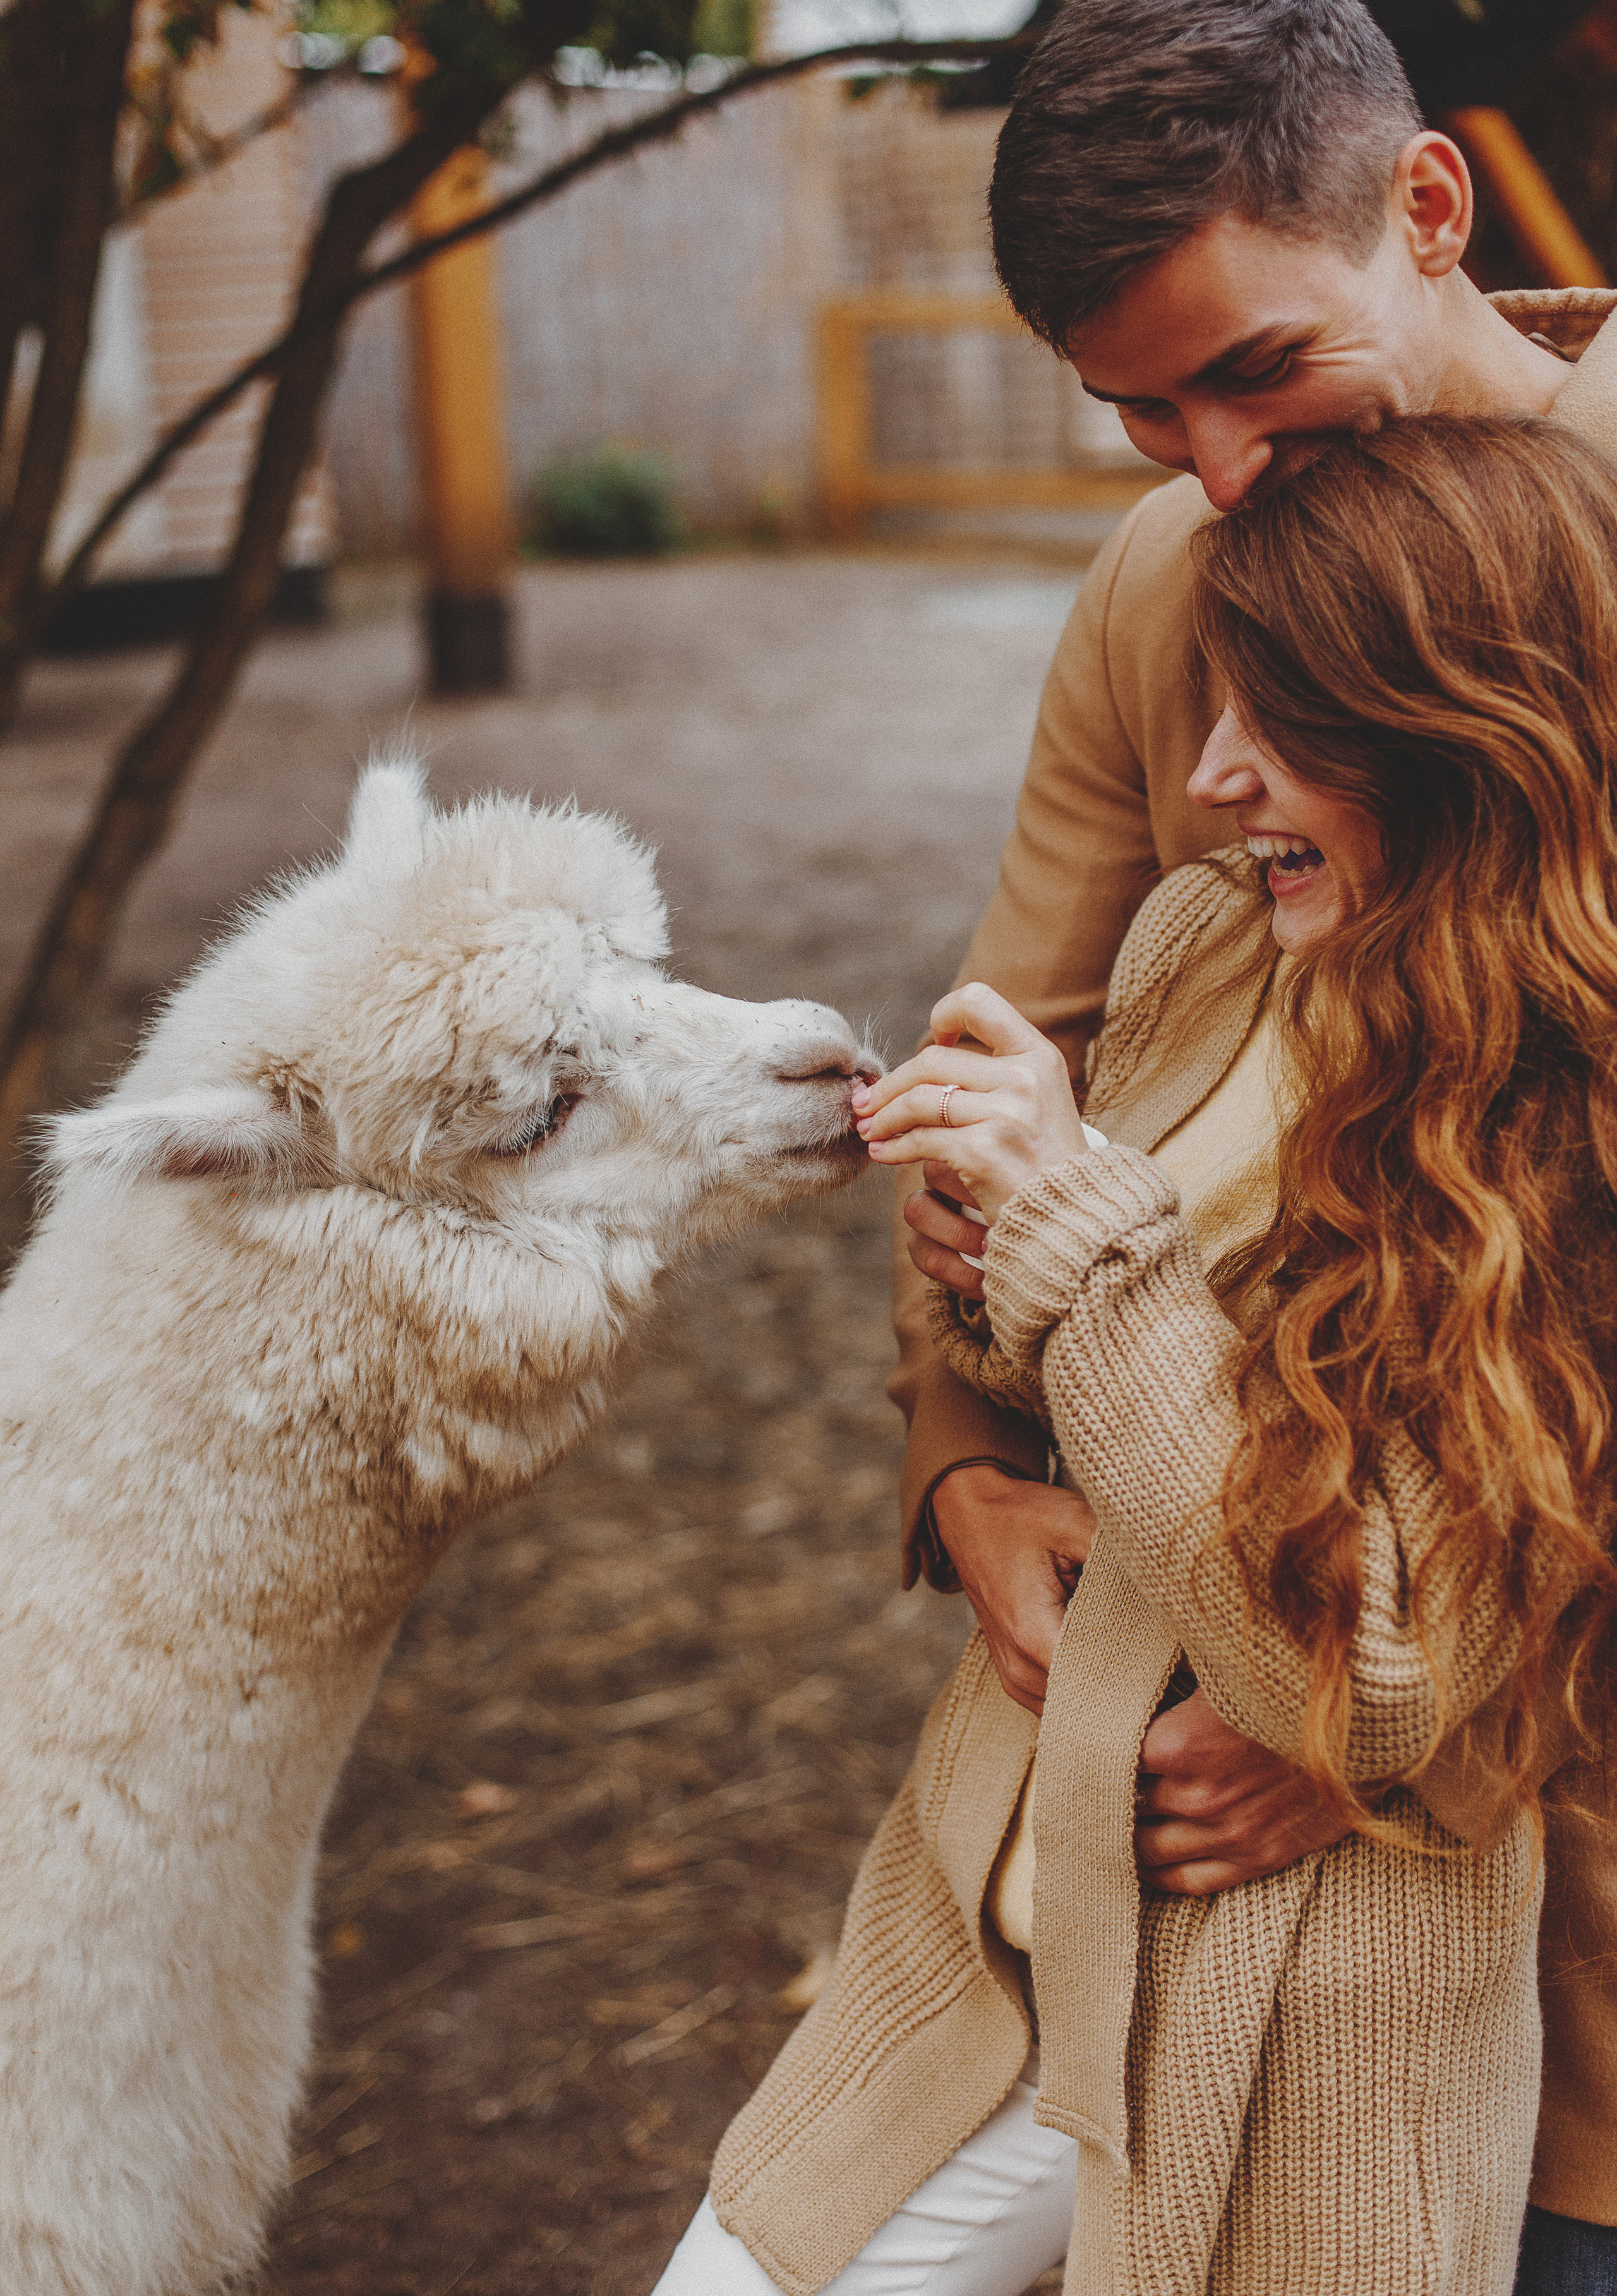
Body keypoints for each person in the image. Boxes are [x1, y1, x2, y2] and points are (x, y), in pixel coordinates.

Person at [652, 416, 1617, 2295]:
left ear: (1458, 729)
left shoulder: (1561, 1130)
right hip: (999, 1921)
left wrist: (1077, 1235)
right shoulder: (1213, 937)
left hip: (1299, 2022)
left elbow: (1375, 1666)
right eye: (1216, 707)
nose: (1212, 775)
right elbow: (1064, 1357)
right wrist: (976, 1261)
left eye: (1283, 723)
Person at [885, 0, 1617, 2290]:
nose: (1212, 478)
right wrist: (963, 1471)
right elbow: (1036, 1050)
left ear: (1426, 209)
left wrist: (1432, 1722)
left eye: (1257, 375)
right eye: (1140, 418)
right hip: (1259, 1945)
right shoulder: (1168, 579)